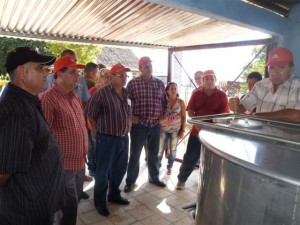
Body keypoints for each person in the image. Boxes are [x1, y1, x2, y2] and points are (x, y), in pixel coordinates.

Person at [0, 47, 64, 225]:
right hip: (29, 214)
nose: (46, 73)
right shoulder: (18, 111)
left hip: (38, 208)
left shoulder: (25, 102)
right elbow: (3, 172)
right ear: (22, 72)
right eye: (40, 68)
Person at [39, 56, 88, 225]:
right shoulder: (48, 99)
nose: (78, 76)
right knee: (64, 212)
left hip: (79, 163)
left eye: (78, 72)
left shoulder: (74, 97)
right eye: (73, 72)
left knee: (72, 208)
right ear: (59, 74)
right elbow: (42, 139)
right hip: (63, 168)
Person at [85, 63, 132, 216]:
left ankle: (114, 194)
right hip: (106, 139)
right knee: (103, 172)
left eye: (126, 76)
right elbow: (90, 114)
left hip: (124, 138)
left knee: (120, 169)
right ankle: (99, 201)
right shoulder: (101, 93)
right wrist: (94, 133)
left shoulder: (126, 93)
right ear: (111, 77)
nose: (125, 78)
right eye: (121, 75)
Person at [176, 70, 230, 190]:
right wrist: (198, 124)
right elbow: (190, 110)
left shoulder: (222, 95)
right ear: (203, 81)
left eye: (212, 79)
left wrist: (212, 127)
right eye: (207, 79)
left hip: (214, 134)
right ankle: (181, 179)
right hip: (196, 131)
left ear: (215, 80)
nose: (209, 81)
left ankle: (209, 183)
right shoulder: (196, 94)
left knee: (212, 160)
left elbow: (224, 115)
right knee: (190, 157)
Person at [124, 56, 168, 192]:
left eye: (150, 65)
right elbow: (126, 103)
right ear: (140, 69)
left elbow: (165, 102)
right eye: (146, 66)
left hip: (155, 125)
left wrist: (163, 116)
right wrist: (132, 116)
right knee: (135, 154)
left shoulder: (159, 83)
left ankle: (154, 178)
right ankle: (130, 181)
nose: (149, 68)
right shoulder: (132, 84)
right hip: (139, 126)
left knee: (154, 153)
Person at [229, 47, 300, 122]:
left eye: (281, 67)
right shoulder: (261, 85)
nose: (275, 73)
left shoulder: (297, 86)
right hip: (260, 133)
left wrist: (255, 116)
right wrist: (236, 106)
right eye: (272, 67)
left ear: (291, 68)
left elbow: (296, 116)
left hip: (286, 134)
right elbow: (243, 107)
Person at [158, 82, 186, 175]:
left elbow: (183, 117)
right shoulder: (163, 101)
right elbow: (158, 114)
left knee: (173, 150)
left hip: (175, 130)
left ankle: (170, 167)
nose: (174, 90)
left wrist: (182, 130)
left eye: (175, 88)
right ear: (167, 91)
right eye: (172, 89)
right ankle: (157, 166)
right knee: (160, 149)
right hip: (163, 130)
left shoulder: (181, 102)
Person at [86, 68, 110, 177]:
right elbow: (89, 112)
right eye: (106, 77)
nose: (109, 80)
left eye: (110, 77)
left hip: (105, 126)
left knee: (101, 149)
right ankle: (92, 168)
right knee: (93, 148)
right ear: (100, 78)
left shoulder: (110, 91)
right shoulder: (93, 91)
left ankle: (100, 168)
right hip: (93, 125)